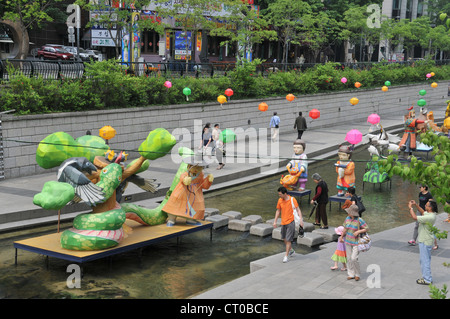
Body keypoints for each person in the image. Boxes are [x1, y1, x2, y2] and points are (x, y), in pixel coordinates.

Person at [163, 154, 214, 227]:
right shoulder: (186, 173)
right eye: (195, 166)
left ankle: (190, 219)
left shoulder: (200, 174)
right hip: (183, 191)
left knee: (196, 205)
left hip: (194, 193)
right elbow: (182, 178)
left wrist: (208, 180)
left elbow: (203, 185)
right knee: (176, 203)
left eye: (199, 167)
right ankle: (171, 219)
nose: (196, 169)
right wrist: (185, 180)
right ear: (189, 166)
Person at [408, 199, 437, 285]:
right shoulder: (431, 214)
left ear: (430, 208)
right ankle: (426, 277)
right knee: (424, 260)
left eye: (427, 205)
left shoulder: (430, 217)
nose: (425, 206)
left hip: (425, 240)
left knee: (425, 261)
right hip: (425, 240)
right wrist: (416, 205)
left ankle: (427, 279)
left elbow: (414, 217)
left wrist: (410, 208)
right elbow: (423, 212)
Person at [273, 186, 304, 263]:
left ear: (285, 193)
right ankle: (291, 250)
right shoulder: (280, 200)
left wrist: (301, 220)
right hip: (283, 222)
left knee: (289, 239)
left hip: (291, 222)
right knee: (284, 238)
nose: (279, 195)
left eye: (280, 194)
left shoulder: (292, 200)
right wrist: (275, 221)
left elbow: (298, 210)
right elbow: (278, 211)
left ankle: (286, 256)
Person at [339, 204, 369, 281]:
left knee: (354, 258)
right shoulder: (347, 219)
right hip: (348, 241)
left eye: (349, 212)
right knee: (349, 258)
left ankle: (357, 274)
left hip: (356, 242)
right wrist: (342, 237)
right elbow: (345, 229)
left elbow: (366, 228)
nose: (347, 213)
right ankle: (351, 273)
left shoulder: (359, 220)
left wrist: (359, 231)